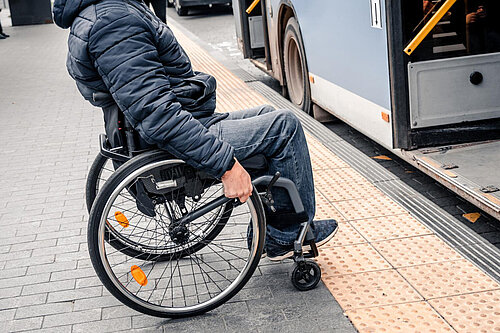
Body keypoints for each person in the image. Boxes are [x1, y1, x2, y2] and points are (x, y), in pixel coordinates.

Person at [52, 0, 338, 260]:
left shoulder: (102, 13)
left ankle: (273, 225)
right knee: (285, 127)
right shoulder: (113, 22)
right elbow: (158, 115)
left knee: (267, 114)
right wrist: (226, 166)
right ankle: (283, 237)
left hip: (159, 129)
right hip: (167, 140)